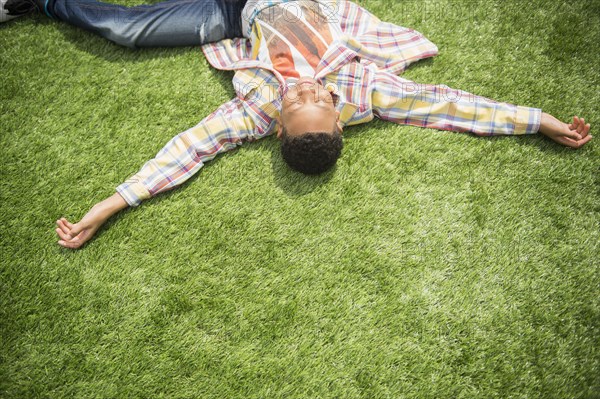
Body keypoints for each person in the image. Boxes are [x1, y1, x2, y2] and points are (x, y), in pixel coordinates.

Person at [2, 0, 592, 249]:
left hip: (235, 11)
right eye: (316, 96)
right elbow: (449, 104)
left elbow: (188, 149)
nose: (305, 89)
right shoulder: (366, 91)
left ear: (277, 128)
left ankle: (43, 2)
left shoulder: (253, 110)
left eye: (295, 100)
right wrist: (536, 120)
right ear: (340, 116)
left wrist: (107, 206)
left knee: (125, 32)